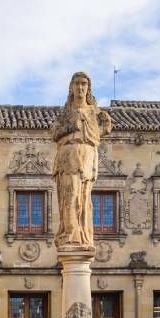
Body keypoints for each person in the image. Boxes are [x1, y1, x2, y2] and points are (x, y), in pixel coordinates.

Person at [51, 72, 112, 250]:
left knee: (85, 199)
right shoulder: (65, 113)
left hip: (87, 156)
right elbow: (54, 133)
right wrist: (70, 127)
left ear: (88, 88)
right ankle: (70, 234)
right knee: (70, 196)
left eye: (84, 84)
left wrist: (105, 127)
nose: (80, 87)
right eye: (77, 83)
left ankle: (83, 234)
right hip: (69, 155)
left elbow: (98, 132)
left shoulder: (93, 111)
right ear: (71, 87)